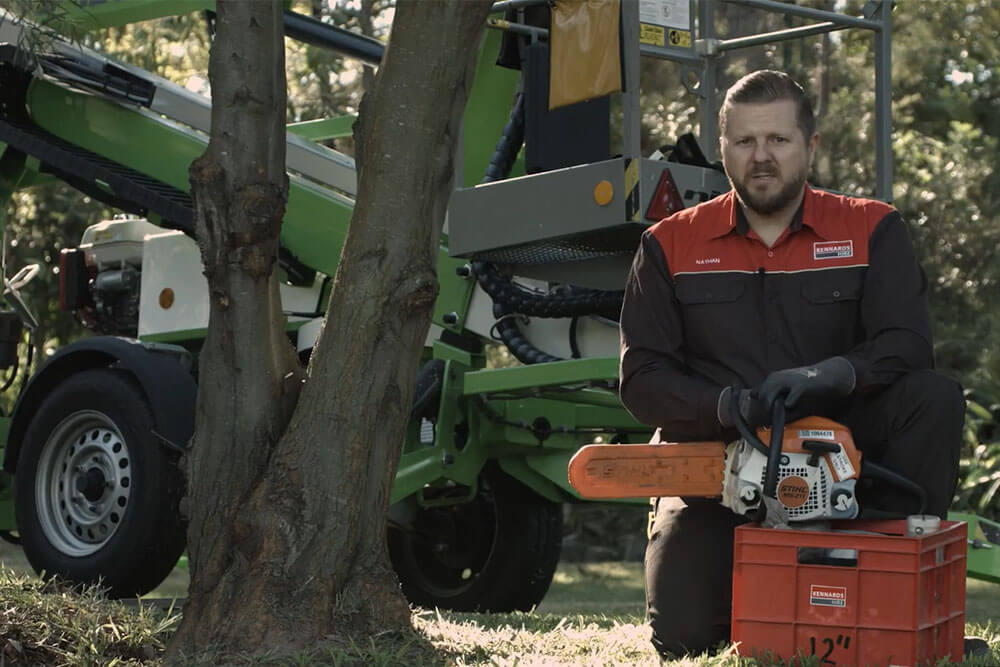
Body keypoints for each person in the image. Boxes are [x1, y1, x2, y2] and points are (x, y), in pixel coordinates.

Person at [618, 70, 966, 658]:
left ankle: (887, 576)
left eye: (778, 139)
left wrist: (824, 376)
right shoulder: (668, 244)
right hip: (719, 467)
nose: (762, 157)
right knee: (685, 640)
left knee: (934, 396)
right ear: (723, 148)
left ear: (810, 146)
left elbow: (907, 344)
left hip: (850, 465)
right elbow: (643, 379)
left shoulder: (871, 227)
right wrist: (728, 406)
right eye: (745, 141)